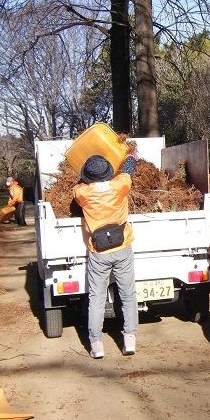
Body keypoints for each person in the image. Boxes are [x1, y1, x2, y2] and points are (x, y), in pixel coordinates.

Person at [73, 151, 139, 359]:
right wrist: (131, 157)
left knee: (97, 298)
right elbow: (128, 169)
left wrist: (86, 177)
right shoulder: (120, 186)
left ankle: (97, 345)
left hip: (98, 251)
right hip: (122, 246)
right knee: (128, 295)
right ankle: (129, 340)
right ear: (109, 172)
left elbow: (77, 185)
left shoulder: (82, 193)